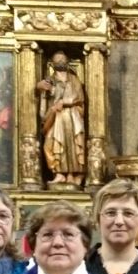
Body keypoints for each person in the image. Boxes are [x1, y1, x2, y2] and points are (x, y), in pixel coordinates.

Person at [36, 52, 86, 186]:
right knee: (51, 144)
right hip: (54, 117)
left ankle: (73, 174)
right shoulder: (50, 79)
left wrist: (64, 102)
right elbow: (44, 95)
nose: (60, 62)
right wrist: (40, 88)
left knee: (74, 145)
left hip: (72, 116)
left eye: (63, 59)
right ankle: (59, 173)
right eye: (57, 60)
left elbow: (79, 97)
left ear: (67, 62)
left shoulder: (74, 79)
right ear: (52, 64)